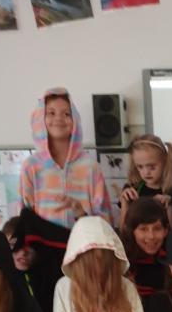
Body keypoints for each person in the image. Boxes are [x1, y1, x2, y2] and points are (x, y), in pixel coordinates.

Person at [19, 87, 111, 230]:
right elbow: (24, 217)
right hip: (44, 243)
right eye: (51, 113)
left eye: (67, 114)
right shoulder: (31, 166)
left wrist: (81, 214)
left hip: (84, 242)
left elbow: (104, 219)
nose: (59, 118)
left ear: (75, 120)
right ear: (40, 119)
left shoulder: (90, 167)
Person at [118, 134, 172, 229]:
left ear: (165, 161)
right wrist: (124, 203)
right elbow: (123, 230)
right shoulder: (132, 189)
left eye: (152, 167)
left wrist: (170, 206)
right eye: (140, 167)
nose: (146, 172)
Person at [120, 196, 169, 309]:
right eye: (143, 229)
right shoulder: (122, 263)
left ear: (165, 231)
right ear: (132, 231)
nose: (151, 236)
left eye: (157, 228)